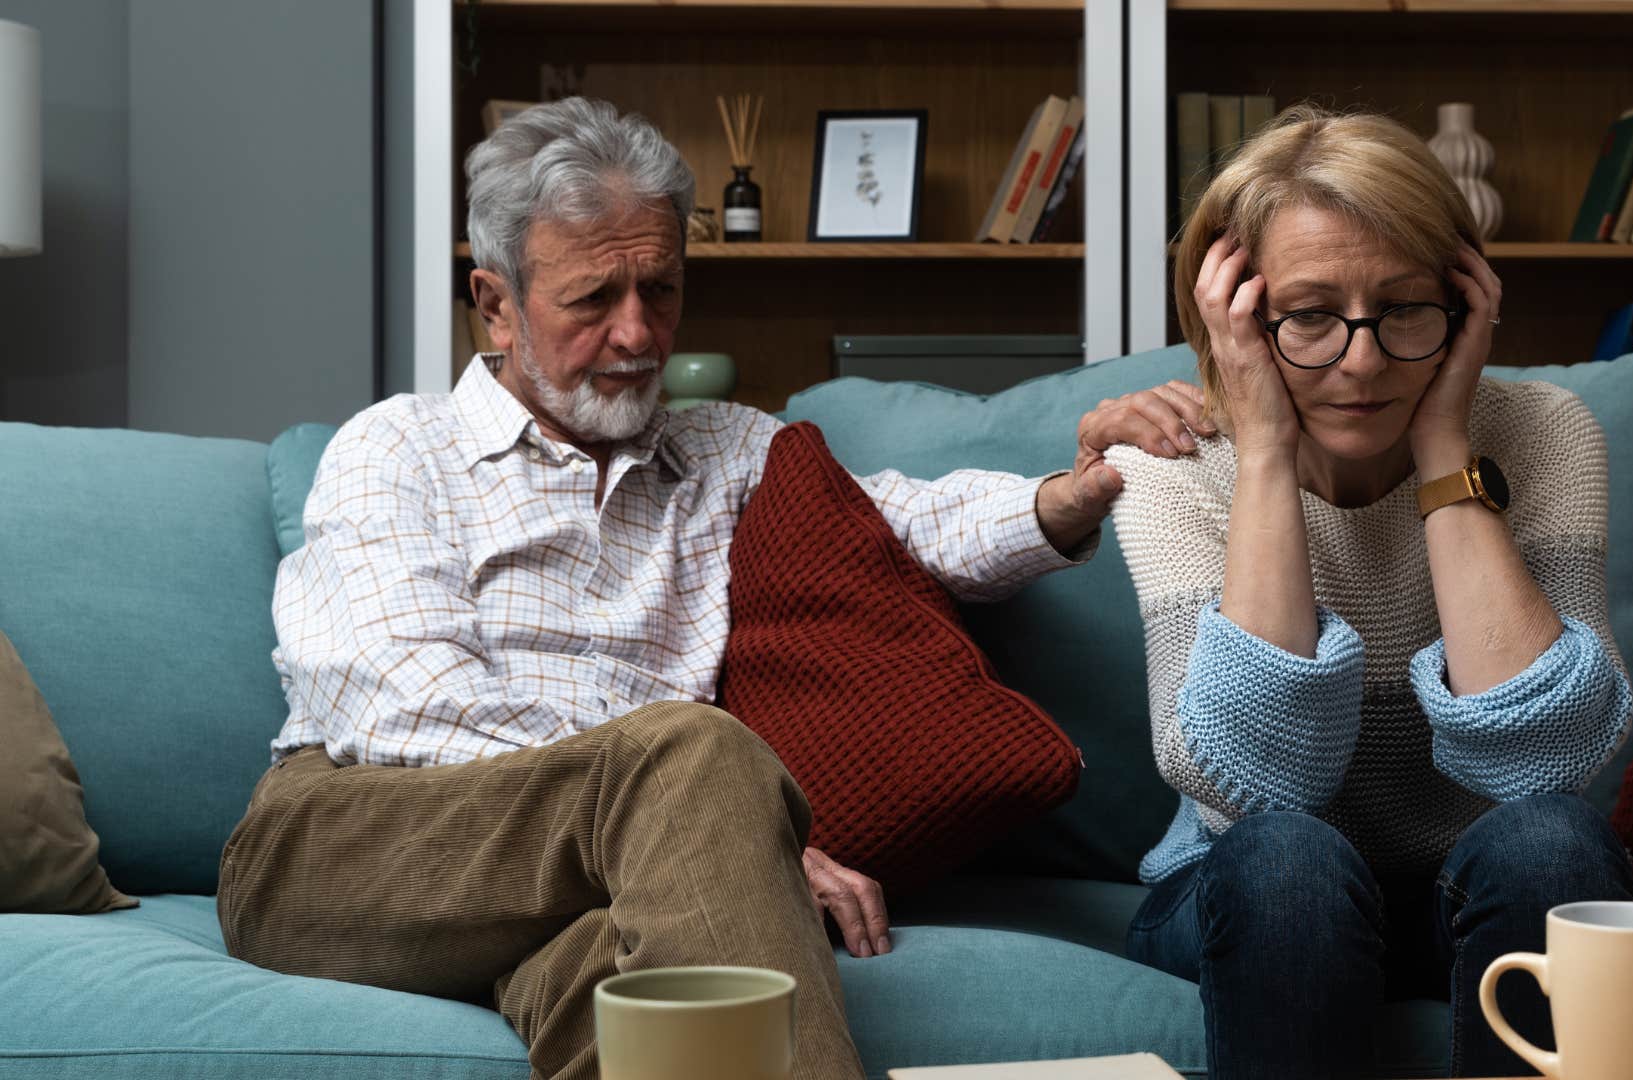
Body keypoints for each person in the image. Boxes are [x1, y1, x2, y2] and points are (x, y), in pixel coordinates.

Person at [216, 97, 1209, 1080]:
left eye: (662, 288)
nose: (638, 332)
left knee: (635, 994)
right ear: (496, 302)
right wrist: (730, 832)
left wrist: (1076, 493)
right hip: (355, 838)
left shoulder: (726, 449)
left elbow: (910, 523)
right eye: (594, 299)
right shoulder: (399, 448)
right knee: (696, 755)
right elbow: (409, 704)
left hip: (606, 873)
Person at [1105, 104, 1633, 1079]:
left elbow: (1550, 761)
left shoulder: (1547, 432)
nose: (1362, 362)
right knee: (1287, 856)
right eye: (1310, 315)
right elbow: (1255, 781)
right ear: (1233, 313)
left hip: (1472, 890)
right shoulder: (1169, 469)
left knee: (1553, 840)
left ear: (1464, 302)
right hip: (1252, 894)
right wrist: (1264, 451)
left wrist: (1444, 446)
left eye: (1404, 308)